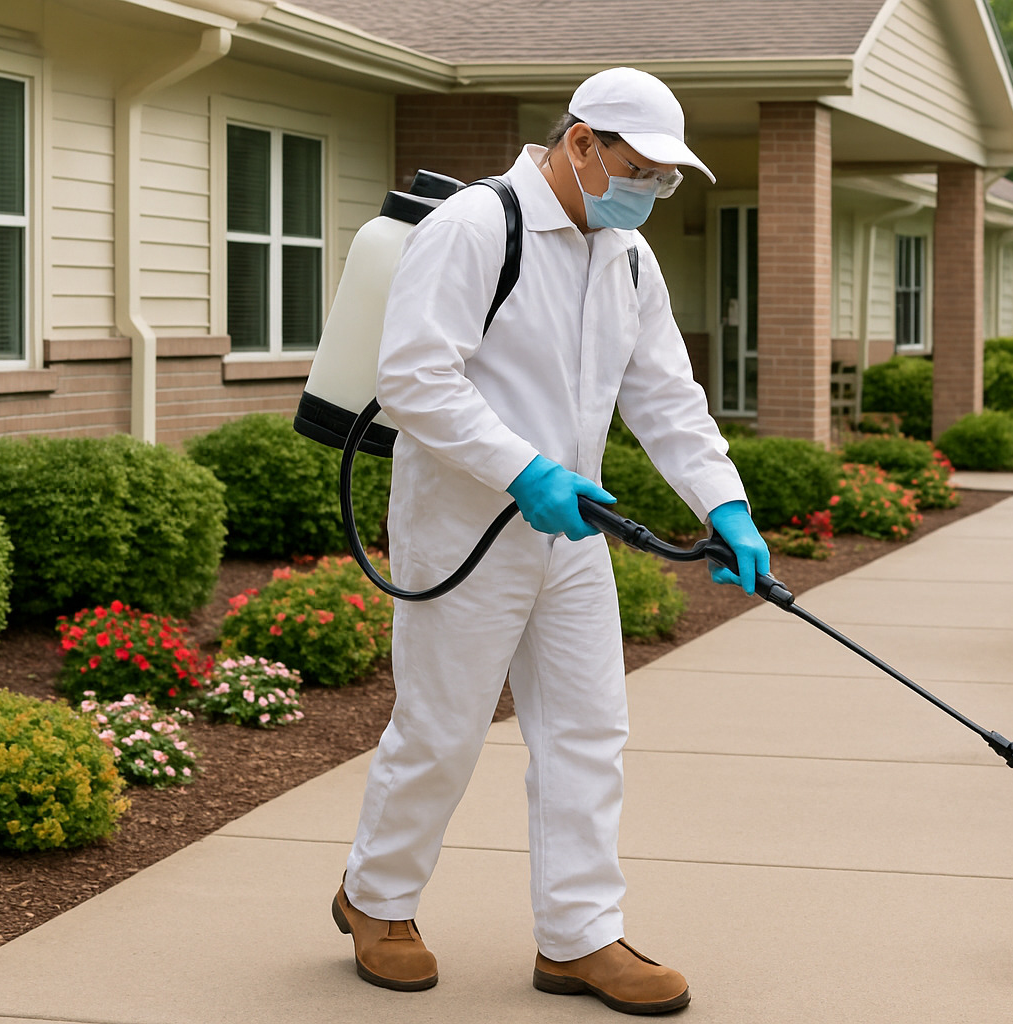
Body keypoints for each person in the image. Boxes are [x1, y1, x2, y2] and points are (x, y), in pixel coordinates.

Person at [329, 66, 770, 1015]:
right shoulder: (478, 227)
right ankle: (378, 900)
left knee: (588, 731)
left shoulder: (627, 257)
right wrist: (525, 469)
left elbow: (665, 396)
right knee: (443, 731)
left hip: (570, 536)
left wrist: (724, 505)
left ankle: (577, 938)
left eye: (667, 179)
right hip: (464, 529)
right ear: (582, 144)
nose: (652, 191)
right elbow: (412, 378)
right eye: (642, 170)